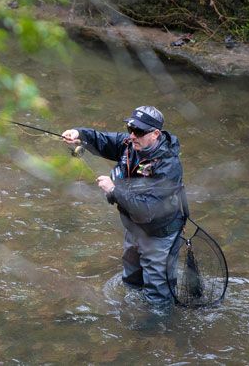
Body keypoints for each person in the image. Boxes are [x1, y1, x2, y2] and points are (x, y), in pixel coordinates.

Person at [62, 105, 188, 306]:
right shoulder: (132, 144)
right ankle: (132, 316)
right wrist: (80, 134)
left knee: (158, 296)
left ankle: (158, 333)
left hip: (159, 235)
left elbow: (148, 210)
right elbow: (104, 140)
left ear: (155, 134)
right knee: (131, 281)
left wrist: (114, 190)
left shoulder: (168, 166)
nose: (132, 135)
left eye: (138, 131)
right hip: (134, 228)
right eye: (130, 129)